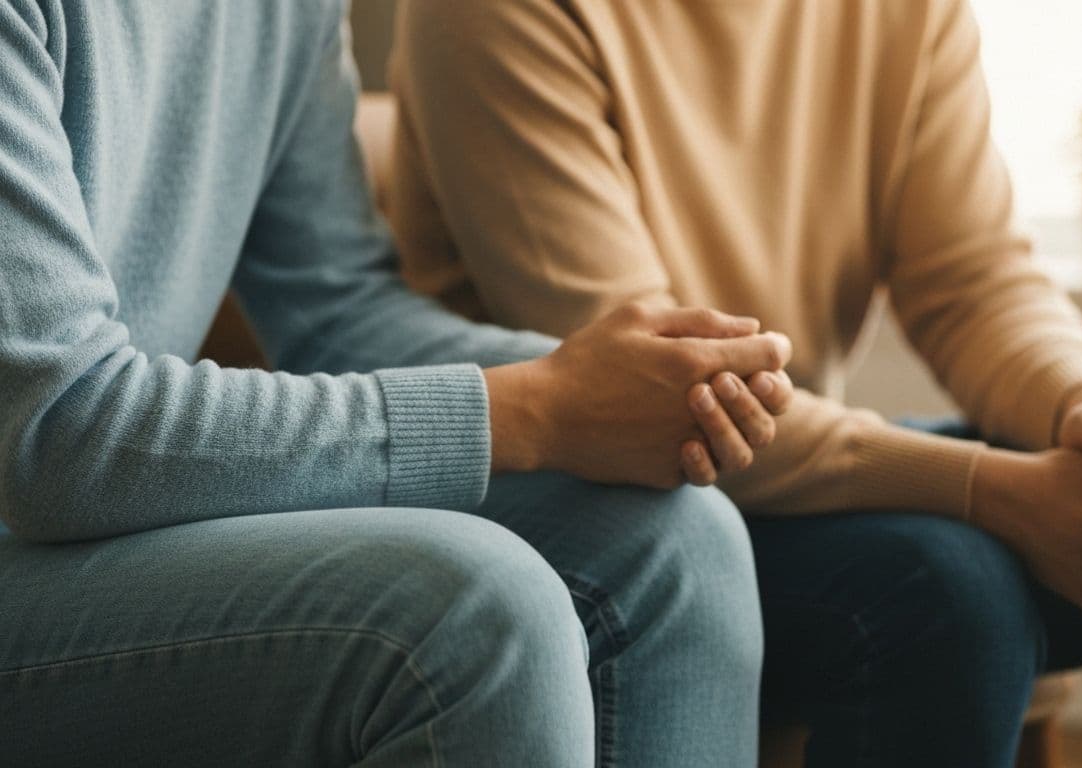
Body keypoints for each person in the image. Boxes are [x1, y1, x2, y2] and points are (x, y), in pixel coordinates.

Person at [387, 0, 1082, 764]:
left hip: (799, 473)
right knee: (945, 592)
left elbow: (973, 279)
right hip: (605, 519)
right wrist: (996, 491)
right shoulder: (493, 14)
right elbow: (653, 398)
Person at [0, 2, 798, 765]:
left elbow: (335, 315)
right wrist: (535, 410)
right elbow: (59, 430)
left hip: (94, 535)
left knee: (680, 541)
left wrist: (594, 383)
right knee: (477, 612)